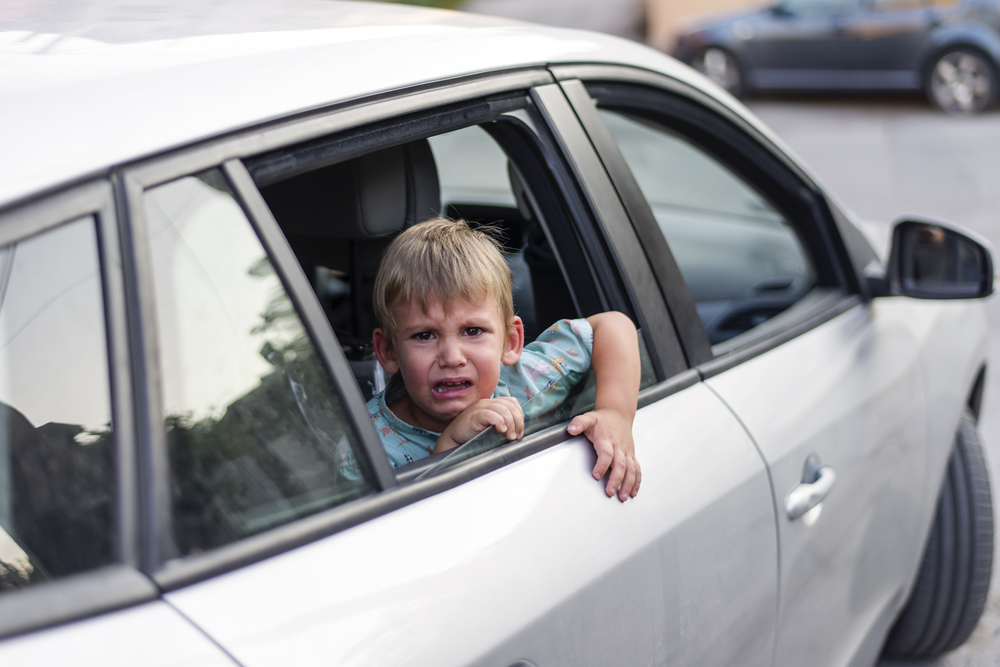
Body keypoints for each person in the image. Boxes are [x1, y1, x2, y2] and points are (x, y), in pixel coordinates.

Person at [368, 218, 642, 500]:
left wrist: (615, 414)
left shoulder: (529, 377)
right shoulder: (367, 453)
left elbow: (612, 325)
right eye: (425, 335)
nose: (451, 357)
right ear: (388, 350)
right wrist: (451, 445)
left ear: (510, 342)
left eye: (472, 331)